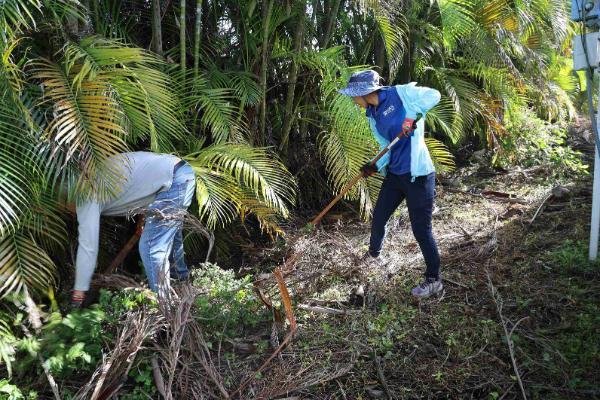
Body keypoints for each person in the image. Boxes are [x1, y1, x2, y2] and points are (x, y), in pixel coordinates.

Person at [338, 70, 443, 298]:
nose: (353, 100)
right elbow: (389, 145)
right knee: (379, 218)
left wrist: (412, 117)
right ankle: (374, 256)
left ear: (365, 93)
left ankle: (434, 280)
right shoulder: (373, 114)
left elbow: (434, 95)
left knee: (421, 231)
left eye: (354, 96)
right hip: (395, 175)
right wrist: (375, 165)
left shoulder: (402, 93)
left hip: (418, 176)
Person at [71, 152, 196, 306]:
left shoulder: (84, 193)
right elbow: (138, 183)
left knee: (151, 247)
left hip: (173, 181)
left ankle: (167, 312)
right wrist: (144, 217)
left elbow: (88, 246)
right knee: (170, 238)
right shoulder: (95, 169)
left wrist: (79, 292)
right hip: (180, 172)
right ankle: (183, 287)